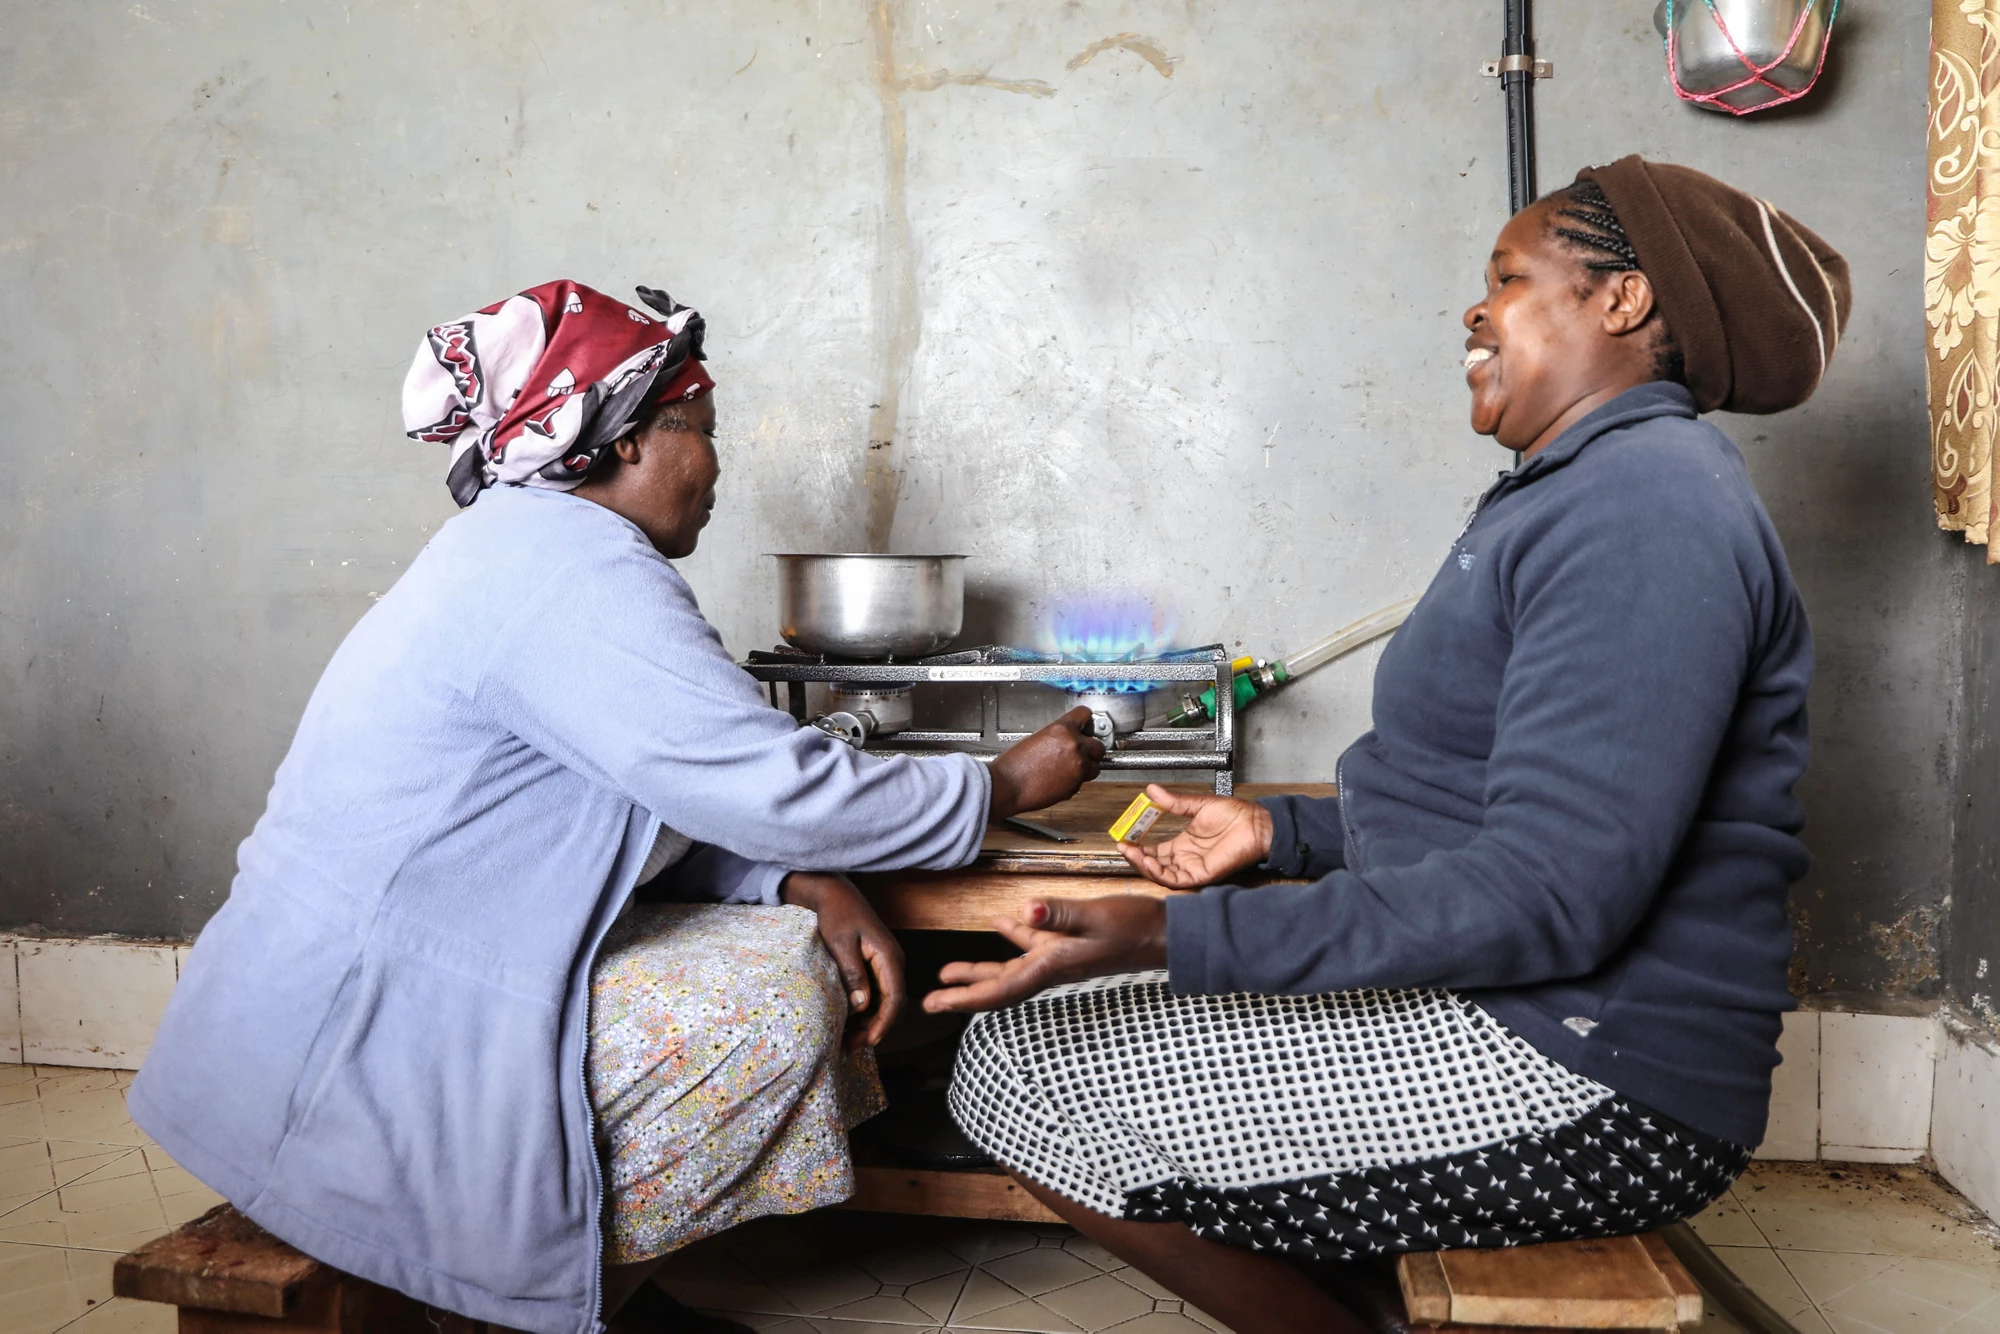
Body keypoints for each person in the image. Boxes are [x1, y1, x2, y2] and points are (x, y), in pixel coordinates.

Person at [924, 157, 1851, 1334]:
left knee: (1022, 1074)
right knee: (1026, 1043)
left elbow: (1549, 892)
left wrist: (1170, 928)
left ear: (1621, 301)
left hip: (1591, 1068)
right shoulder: (1573, 488)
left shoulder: (1643, 506)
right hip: (1529, 1012)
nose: (1474, 309)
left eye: (1508, 279)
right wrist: (1282, 828)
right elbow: (1488, 801)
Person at [128, 280, 1104, 1334]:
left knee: (781, 944)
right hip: (343, 1043)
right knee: (772, 1001)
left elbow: (643, 796)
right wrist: (999, 783)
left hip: (316, 1006)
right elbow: (767, 784)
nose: (718, 465)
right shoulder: (569, 569)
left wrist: (796, 874)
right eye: (703, 432)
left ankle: (570, 1278)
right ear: (624, 438)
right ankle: (522, 1297)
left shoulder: (526, 545)